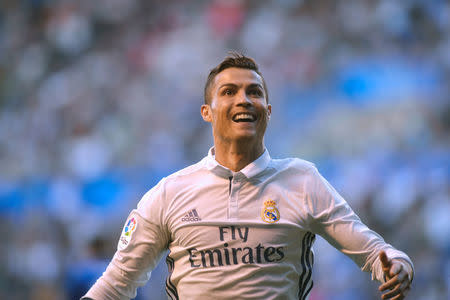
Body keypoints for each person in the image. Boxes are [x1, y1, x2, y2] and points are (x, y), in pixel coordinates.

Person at [82, 53, 414, 300]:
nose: (243, 99)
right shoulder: (169, 193)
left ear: (268, 110)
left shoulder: (303, 180)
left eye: (254, 92)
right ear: (206, 112)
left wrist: (398, 265)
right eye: (229, 92)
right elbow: (115, 285)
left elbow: (374, 252)